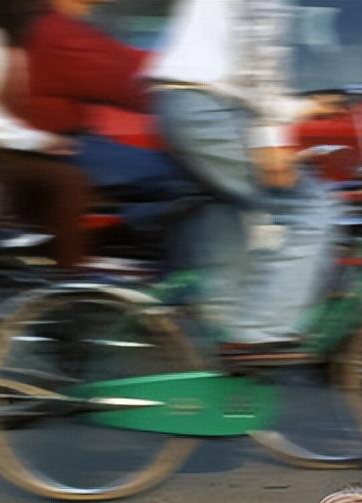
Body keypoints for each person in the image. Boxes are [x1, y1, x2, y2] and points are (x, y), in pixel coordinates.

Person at [144, 0, 341, 363]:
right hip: (209, 108)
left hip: (186, 103)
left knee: (228, 249)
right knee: (311, 206)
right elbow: (258, 46)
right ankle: (262, 334)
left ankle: (219, 361)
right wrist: (271, 138)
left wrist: (298, 109)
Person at [23, 0, 203, 267]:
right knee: (191, 178)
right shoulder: (55, 30)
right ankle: (129, 247)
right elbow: (130, 82)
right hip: (62, 146)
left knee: (182, 175)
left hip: (74, 140)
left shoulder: (63, 26)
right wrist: (197, 91)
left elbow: (126, 61)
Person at [0, 0, 92, 267]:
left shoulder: (9, 39)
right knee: (69, 180)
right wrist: (35, 140)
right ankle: (71, 272)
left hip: (3, 151)